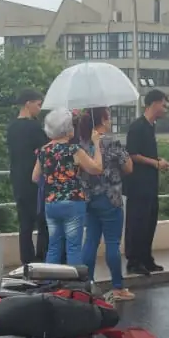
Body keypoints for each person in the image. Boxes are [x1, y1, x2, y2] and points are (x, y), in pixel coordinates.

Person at [76, 107, 134, 300]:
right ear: (103, 119)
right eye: (108, 117)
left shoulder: (81, 143)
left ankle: (87, 284)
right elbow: (128, 167)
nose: (110, 120)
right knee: (112, 243)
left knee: (90, 241)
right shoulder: (111, 141)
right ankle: (117, 287)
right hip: (111, 199)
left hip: (89, 199)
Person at [32, 107, 102, 265]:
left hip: (51, 203)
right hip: (73, 201)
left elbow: (35, 177)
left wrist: (53, 180)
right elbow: (96, 168)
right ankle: (72, 285)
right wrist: (97, 144)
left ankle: (50, 283)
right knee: (73, 247)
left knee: (54, 246)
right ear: (67, 128)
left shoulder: (43, 151)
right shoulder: (74, 150)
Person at [124, 89, 169, 275]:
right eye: (164, 104)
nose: (165, 108)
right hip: (138, 184)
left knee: (150, 222)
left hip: (150, 183)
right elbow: (132, 154)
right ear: (154, 104)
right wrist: (156, 163)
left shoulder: (151, 127)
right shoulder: (137, 127)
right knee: (137, 222)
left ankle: (146, 258)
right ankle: (133, 261)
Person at [6, 88, 50, 264]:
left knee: (25, 224)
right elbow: (46, 149)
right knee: (43, 222)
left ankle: (27, 261)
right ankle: (42, 258)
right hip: (35, 179)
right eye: (38, 105)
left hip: (17, 179)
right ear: (28, 104)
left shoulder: (11, 128)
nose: (39, 109)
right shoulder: (34, 127)